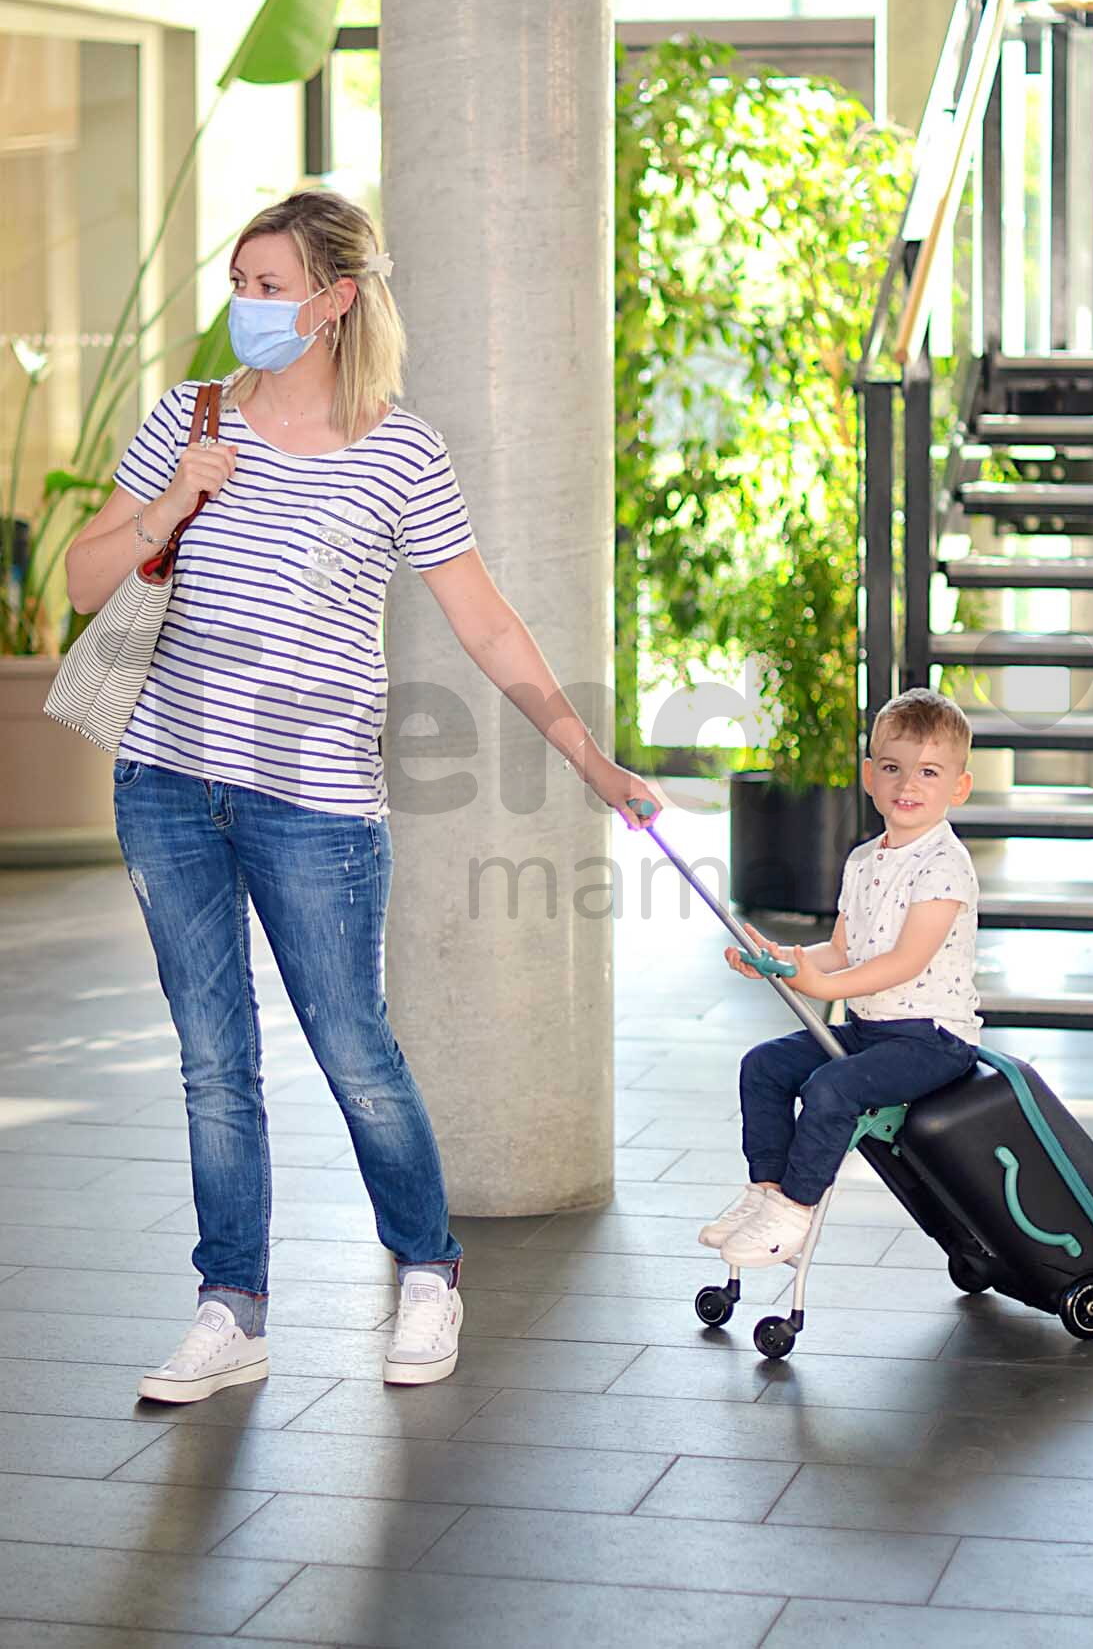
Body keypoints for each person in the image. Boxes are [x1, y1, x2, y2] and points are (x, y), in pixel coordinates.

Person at [65, 189, 659, 1403]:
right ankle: (230, 1308)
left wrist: (584, 752)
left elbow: (484, 620)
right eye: (240, 284)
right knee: (211, 1058)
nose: (248, 306)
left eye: (270, 287)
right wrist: (173, 501)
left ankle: (429, 1268)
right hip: (167, 779)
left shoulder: (401, 451)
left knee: (353, 1046)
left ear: (334, 301)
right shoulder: (187, 417)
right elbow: (82, 579)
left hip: (317, 802)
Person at [699, 687, 981, 1266]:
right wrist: (781, 959)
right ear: (869, 776)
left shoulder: (944, 865)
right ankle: (766, 1193)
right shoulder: (862, 860)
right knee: (764, 1066)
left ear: (959, 788)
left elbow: (904, 963)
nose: (907, 785)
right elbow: (840, 949)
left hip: (932, 1040)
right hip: (873, 1032)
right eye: (892, 768)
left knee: (832, 1088)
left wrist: (824, 988)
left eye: (929, 772)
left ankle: (794, 1211)